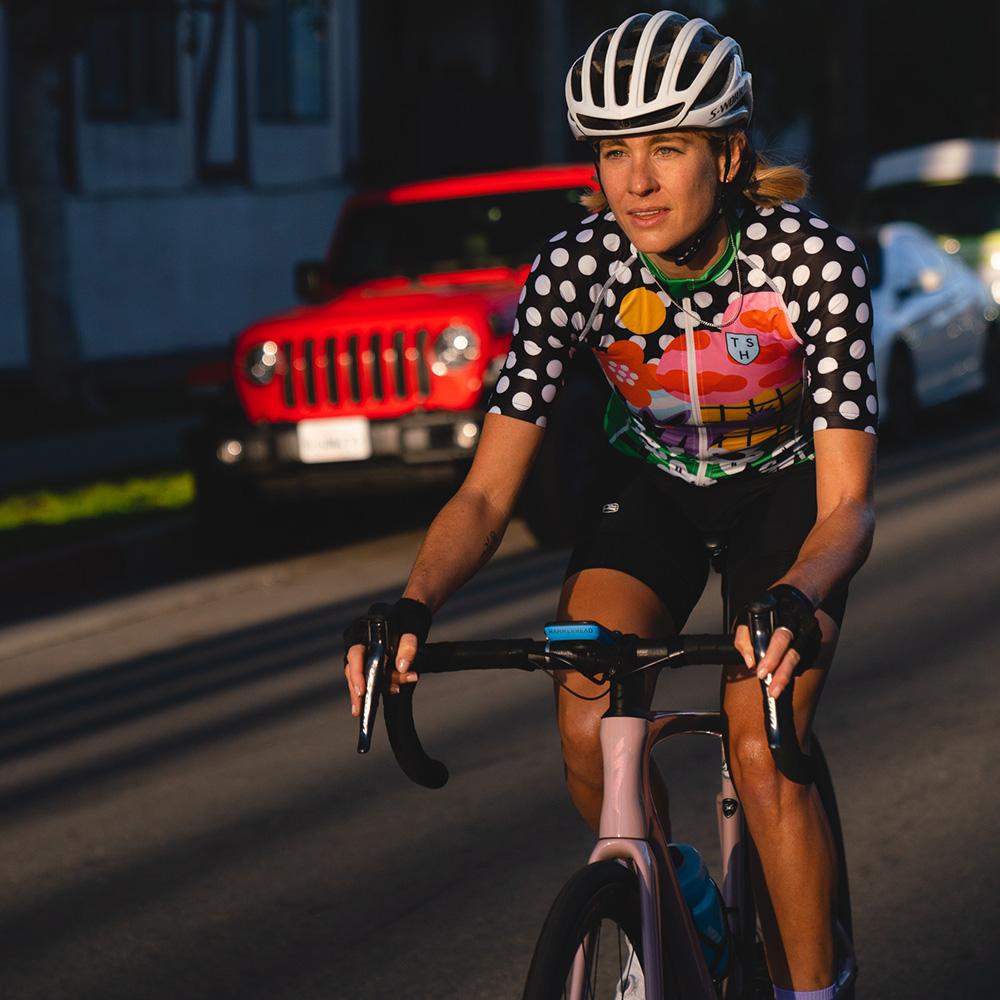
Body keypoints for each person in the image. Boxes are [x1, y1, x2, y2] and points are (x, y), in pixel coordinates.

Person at [345, 11, 875, 999]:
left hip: (787, 499)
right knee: (587, 704)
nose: (632, 182)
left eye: (665, 150)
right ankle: (672, 898)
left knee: (761, 740)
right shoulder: (572, 271)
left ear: (724, 152)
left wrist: (799, 594)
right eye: (611, 153)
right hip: (658, 496)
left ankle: (813, 988)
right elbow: (487, 489)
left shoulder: (811, 264)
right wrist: (413, 605)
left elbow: (849, 504)